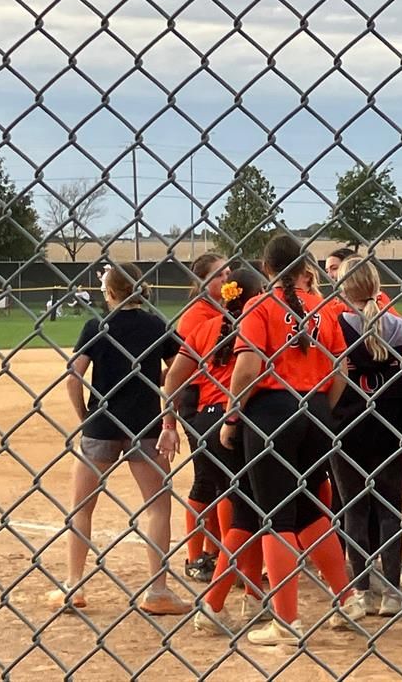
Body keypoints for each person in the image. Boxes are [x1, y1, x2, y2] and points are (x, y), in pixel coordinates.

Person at [224, 233, 358, 646]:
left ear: (267, 270)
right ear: (304, 269)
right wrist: (321, 407)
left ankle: (287, 621)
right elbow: (341, 371)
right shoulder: (324, 307)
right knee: (308, 510)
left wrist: (232, 414)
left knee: (274, 518)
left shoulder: (260, 305)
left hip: (271, 412)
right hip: (315, 410)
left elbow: (247, 366)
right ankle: (347, 598)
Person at [49, 262, 189, 616]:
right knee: (157, 506)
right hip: (144, 424)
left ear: (109, 293)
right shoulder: (156, 325)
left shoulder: (98, 326)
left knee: (82, 508)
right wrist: (157, 379)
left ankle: (74, 586)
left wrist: (86, 417)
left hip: (101, 424)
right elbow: (180, 368)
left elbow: (73, 377)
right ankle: (157, 590)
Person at [162, 269, 270, 634]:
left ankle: (253, 595)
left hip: (205, 425)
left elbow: (174, 377)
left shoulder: (206, 328)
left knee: (242, 507)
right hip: (236, 424)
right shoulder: (257, 325)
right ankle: (219, 602)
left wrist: (169, 424)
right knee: (248, 514)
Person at [328, 256, 402, 617]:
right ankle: (393, 594)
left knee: (354, 508)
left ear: (342, 288)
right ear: (377, 287)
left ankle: (363, 591)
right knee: (388, 510)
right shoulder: (399, 327)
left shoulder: (335, 328)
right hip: (389, 432)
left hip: (346, 432)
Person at [175, 252, 232, 583]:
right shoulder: (198, 315)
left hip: (216, 400)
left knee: (219, 480)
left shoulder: (220, 311)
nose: (226, 280)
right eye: (218, 275)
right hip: (197, 401)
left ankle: (216, 550)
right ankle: (196, 556)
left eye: (227, 274)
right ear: (202, 282)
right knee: (207, 478)